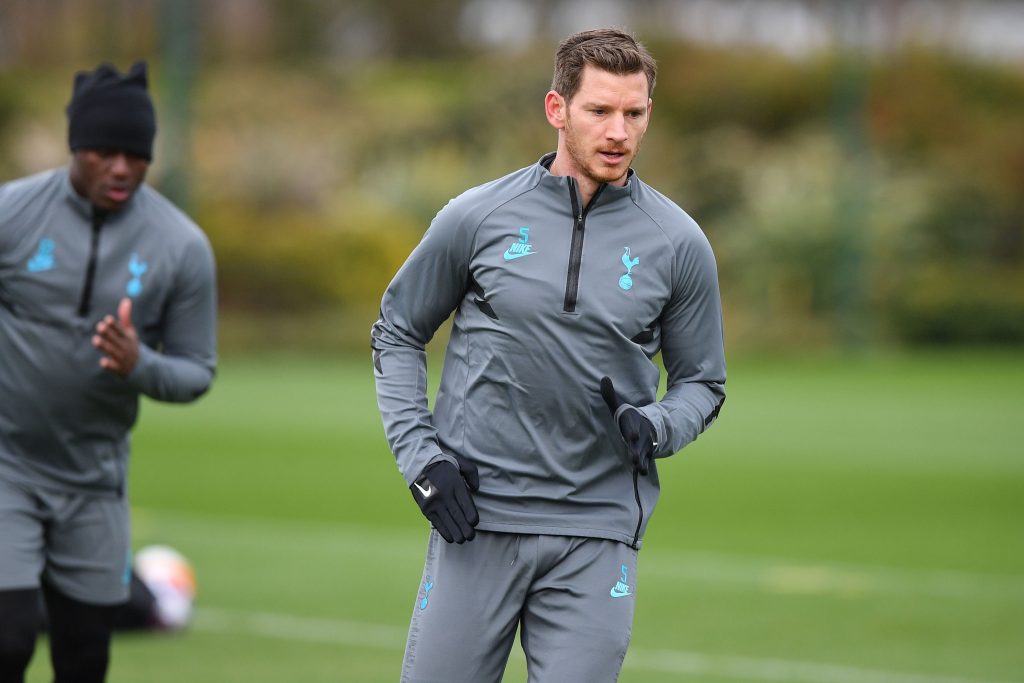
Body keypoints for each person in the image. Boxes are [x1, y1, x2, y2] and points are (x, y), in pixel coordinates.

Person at [372, 28, 726, 682]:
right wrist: (423, 460)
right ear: (556, 109)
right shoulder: (475, 217)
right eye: (600, 110)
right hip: (476, 517)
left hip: (598, 530)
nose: (619, 131)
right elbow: (396, 331)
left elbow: (702, 383)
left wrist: (657, 425)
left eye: (634, 113)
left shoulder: (679, 243)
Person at [0, 61, 217, 683]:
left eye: (136, 155)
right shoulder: (13, 214)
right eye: (103, 152)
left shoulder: (181, 246)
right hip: (8, 462)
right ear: (76, 148)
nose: (121, 168)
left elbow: (196, 372)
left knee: (85, 656)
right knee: (8, 638)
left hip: (95, 478)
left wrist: (138, 364)